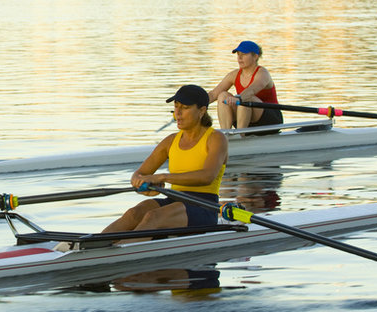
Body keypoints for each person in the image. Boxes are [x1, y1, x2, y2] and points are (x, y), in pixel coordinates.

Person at [101, 84, 229, 245]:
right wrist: (142, 184)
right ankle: (88, 248)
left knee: (153, 216)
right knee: (133, 214)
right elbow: (138, 174)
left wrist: (163, 177)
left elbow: (207, 176)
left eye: (185, 108)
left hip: (204, 206)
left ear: (202, 111)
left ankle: (117, 254)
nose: (178, 113)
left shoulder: (216, 139)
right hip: (174, 201)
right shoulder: (170, 141)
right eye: (176, 107)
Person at [209, 41, 283, 131]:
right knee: (222, 95)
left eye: (243, 54)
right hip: (246, 118)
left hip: (271, 120)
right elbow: (213, 94)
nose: (239, 58)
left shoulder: (262, 73)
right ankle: (226, 134)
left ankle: (240, 135)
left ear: (255, 56)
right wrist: (196, 102)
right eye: (238, 54)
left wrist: (239, 98)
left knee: (246, 97)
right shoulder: (234, 74)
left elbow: (251, 90)